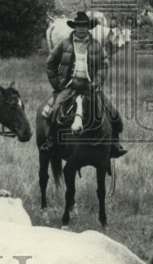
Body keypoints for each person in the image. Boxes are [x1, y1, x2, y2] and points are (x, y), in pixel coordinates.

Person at [40, 10, 128, 161]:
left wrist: (97, 82)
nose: (81, 29)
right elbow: (50, 62)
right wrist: (57, 84)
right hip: (69, 86)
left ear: (88, 27)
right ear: (74, 27)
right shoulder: (65, 44)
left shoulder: (97, 45)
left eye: (84, 26)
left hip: (90, 87)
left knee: (114, 115)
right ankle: (51, 141)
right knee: (52, 113)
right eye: (79, 26)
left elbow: (104, 65)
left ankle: (114, 145)